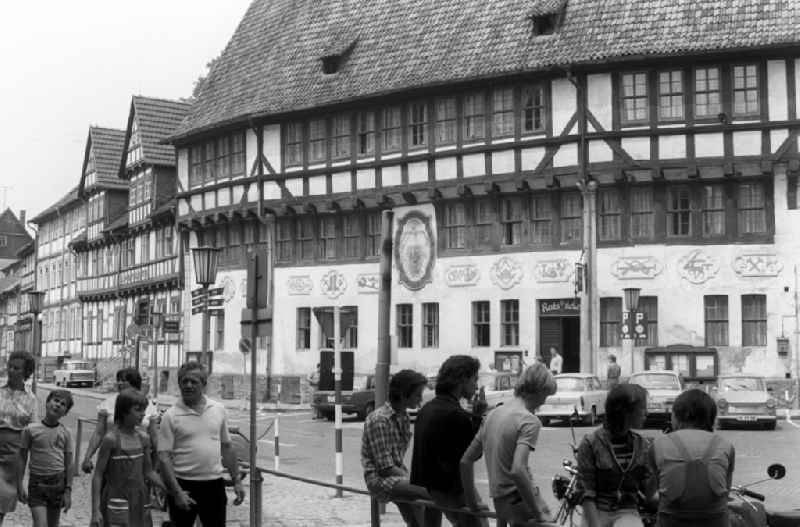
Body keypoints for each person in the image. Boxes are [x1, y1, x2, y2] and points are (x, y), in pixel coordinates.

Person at [461, 363, 558, 527]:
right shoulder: (528, 420)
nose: (544, 401)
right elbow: (517, 470)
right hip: (521, 502)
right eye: (546, 395)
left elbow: (465, 461)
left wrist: (472, 503)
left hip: (501, 504)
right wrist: (538, 513)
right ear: (539, 390)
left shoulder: (492, 415)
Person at [157, 361, 245, 527]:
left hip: (214, 486)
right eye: (184, 381)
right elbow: (163, 458)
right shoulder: (171, 416)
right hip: (183, 485)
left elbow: (227, 447)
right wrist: (176, 492)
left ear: (204, 385)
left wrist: (237, 481)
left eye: (194, 382)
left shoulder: (218, 409)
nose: (188, 386)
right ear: (179, 384)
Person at [410, 355, 489, 527]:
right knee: (480, 524)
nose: (476, 386)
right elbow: (473, 455)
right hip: (450, 489)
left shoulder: (427, 409)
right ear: (462, 379)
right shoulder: (456, 415)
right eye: (474, 379)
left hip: (428, 486)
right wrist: (477, 418)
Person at [648, 389, 734, 527]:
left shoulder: (658, 444)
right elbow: (724, 494)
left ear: (676, 416)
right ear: (712, 418)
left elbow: (654, 492)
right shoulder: (726, 446)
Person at [577, 383, 654, 527]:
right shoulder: (591, 443)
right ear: (626, 411)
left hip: (627, 512)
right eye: (643, 408)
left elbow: (649, 493)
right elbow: (586, 493)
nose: (646, 412)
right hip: (597, 510)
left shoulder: (643, 445)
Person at [361, 369, 432, 526]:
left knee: (419, 513)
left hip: (398, 477)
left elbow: (398, 459)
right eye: (417, 395)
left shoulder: (404, 417)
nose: (420, 400)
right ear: (403, 394)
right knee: (432, 493)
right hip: (380, 480)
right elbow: (385, 468)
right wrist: (412, 480)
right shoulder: (379, 420)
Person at [91, 388, 164, 527]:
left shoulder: (144, 438)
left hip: (140, 499)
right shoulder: (111, 439)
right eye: (138, 410)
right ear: (123, 411)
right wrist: (95, 510)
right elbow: (98, 475)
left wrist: (171, 490)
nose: (143, 414)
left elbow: (148, 472)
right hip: (116, 498)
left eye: (144, 410)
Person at [81, 368, 159, 474]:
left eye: (123, 380)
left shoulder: (148, 405)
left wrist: (158, 463)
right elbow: (98, 433)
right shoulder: (107, 404)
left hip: (140, 459)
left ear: (134, 382)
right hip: (112, 458)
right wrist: (87, 457)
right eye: (118, 380)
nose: (119, 383)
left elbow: (154, 437)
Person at [18, 389, 74, 527]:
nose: (58, 405)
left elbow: (69, 464)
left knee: (52, 524)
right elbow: (22, 458)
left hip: (58, 483)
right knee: (40, 524)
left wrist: (68, 490)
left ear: (65, 412)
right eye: (55, 400)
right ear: (47, 402)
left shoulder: (66, 433)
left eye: (63, 404)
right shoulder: (30, 430)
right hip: (37, 483)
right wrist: (19, 484)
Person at [0, 350, 38, 525]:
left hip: (14, 454)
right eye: (10, 366)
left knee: (3, 501)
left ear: (25, 372)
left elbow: (33, 429)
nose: (11, 370)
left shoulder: (31, 398)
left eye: (17, 368)